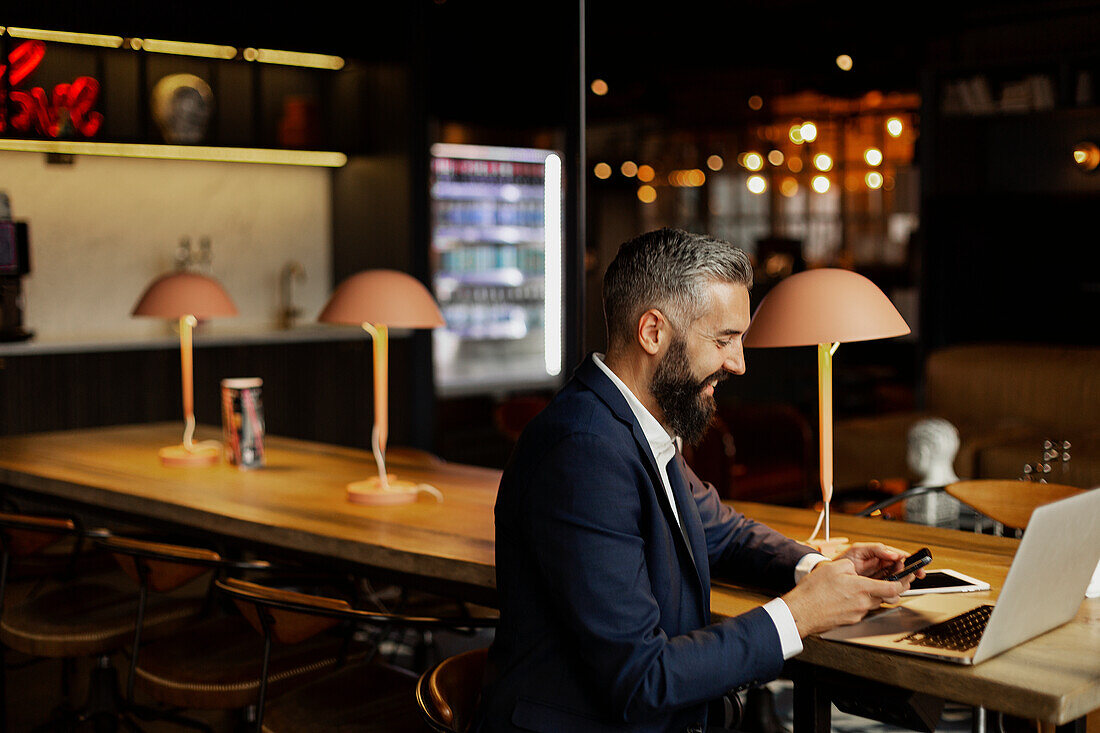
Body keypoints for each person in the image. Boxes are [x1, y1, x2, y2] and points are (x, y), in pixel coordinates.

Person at [475, 228, 919, 733]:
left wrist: (820, 568)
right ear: (653, 332)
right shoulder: (582, 451)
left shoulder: (634, 422)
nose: (739, 363)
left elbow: (720, 530)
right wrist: (800, 614)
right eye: (725, 339)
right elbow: (643, 680)